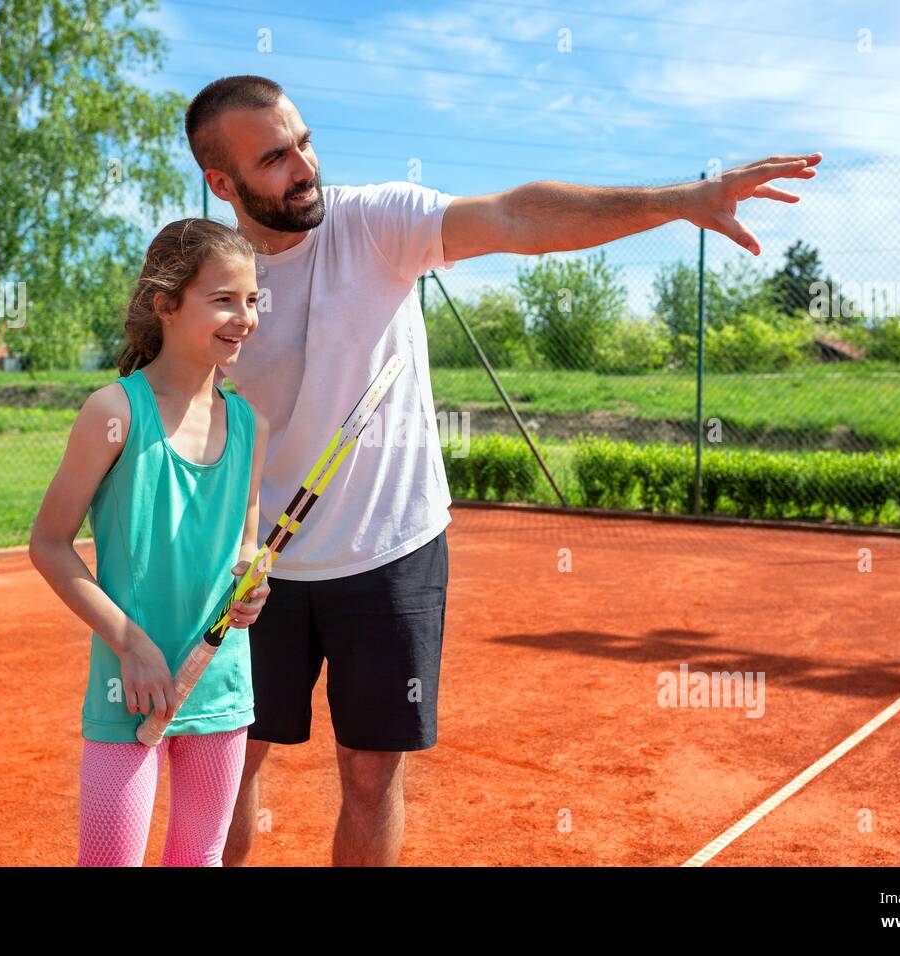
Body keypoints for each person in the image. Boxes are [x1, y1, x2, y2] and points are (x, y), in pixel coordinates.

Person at [184, 75, 820, 867]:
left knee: (371, 777)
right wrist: (213, 546)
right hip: (258, 565)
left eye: (305, 142)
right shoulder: (213, 278)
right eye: (275, 158)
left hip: (392, 553)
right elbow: (182, 419)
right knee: (228, 765)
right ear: (223, 181)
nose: (305, 166)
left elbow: (519, 215)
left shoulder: (376, 222)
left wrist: (682, 199)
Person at [29, 217, 271, 866]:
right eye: (223, 298)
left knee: (200, 859)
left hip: (220, 689)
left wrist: (253, 581)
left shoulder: (248, 422)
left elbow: (245, 546)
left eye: (252, 300)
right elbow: (49, 544)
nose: (244, 317)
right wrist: (131, 644)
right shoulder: (114, 412)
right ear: (166, 305)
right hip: (129, 688)